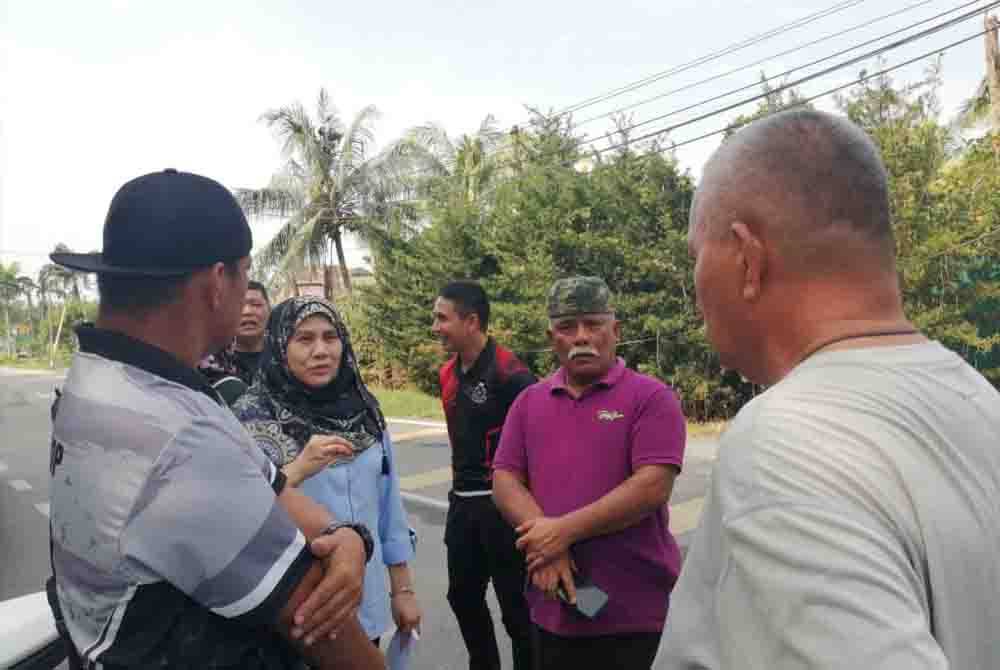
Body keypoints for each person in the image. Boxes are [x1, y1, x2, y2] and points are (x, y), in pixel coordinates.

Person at [654, 109, 1000, 669]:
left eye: (697, 257)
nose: (695, 289)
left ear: (747, 259)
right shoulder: (979, 400)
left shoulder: (785, 439)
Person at [46, 169, 384, 670]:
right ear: (217, 282)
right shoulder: (177, 435)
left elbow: (273, 490)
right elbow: (318, 625)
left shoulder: (98, 378)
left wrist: (349, 536)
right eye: (246, 272)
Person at [492, 276, 687, 670]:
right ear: (552, 338)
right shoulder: (529, 402)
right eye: (567, 326)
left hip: (634, 614)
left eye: (593, 324)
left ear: (615, 331)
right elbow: (504, 479)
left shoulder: (651, 398)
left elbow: (652, 486)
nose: (581, 336)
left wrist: (561, 533)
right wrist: (548, 543)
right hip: (554, 605)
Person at [233, 296, 422, 647]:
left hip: (367, 603)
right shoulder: (250, 419)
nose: (321, 351)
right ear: (280, 346)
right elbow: (235, 514)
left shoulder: (364, 411)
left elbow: (388, 506)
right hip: (295, 611)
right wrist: (297, 470)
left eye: (330, 337)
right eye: (304, 339)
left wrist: (403, 589)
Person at [432, 280, 537, 670]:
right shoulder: (447, 373)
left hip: (502, 510)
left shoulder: (513, 374)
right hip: (462, 505)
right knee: (462, 597)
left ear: (471, 321)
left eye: (442, 318)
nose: (435, 327)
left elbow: (537, 446)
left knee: (517, 609)